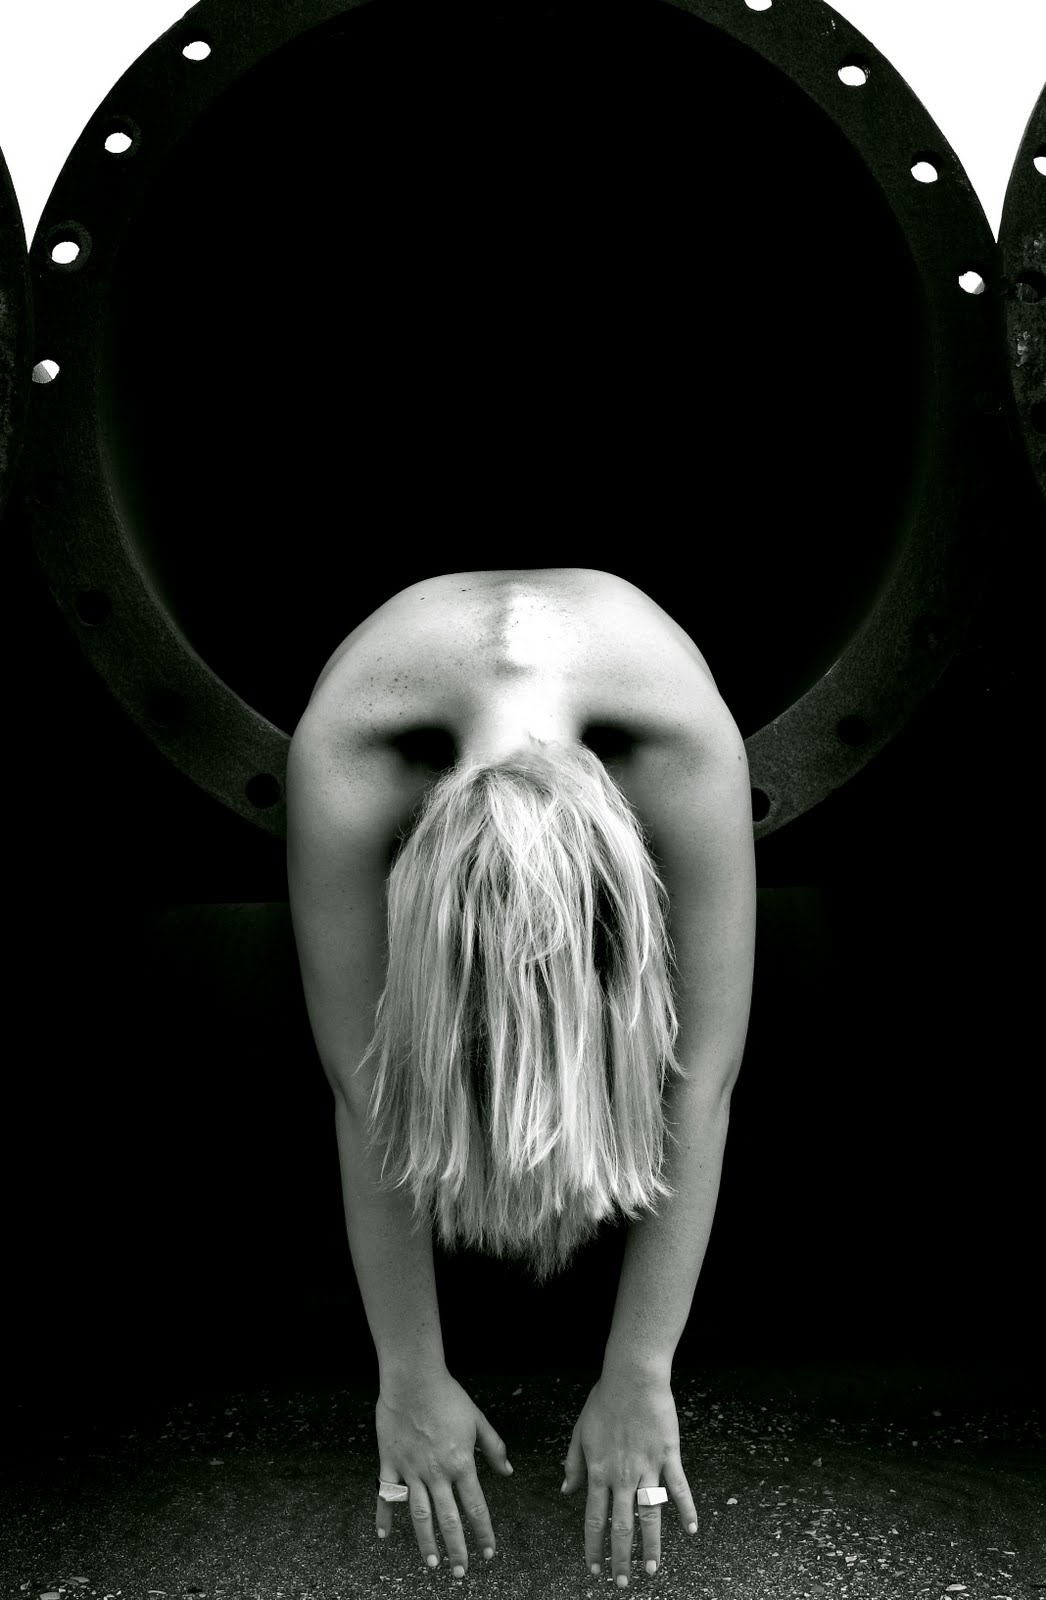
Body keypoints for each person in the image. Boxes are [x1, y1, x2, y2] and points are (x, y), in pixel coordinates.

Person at [286, 567, 755, 1586]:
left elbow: (702, 1074)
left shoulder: (681, 747)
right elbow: (365, 1086)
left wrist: (642, 1372)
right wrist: (407, 1375)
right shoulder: (347, 759)